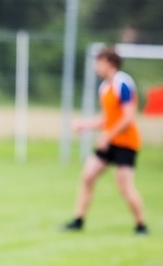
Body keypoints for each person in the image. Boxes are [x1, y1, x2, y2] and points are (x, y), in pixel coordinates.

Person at [62, 47, 148, 234]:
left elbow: (128, 117)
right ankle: (78, 220)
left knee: (124, 186)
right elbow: (108, 119)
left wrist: (107, 136)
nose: (96, 66)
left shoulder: (123, 84)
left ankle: (141, 226)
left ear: (110, 63)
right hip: (109, 142)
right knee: (87, 176)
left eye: (99, 62)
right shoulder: (104, 88)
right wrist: (86, 125)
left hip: (126, 143)